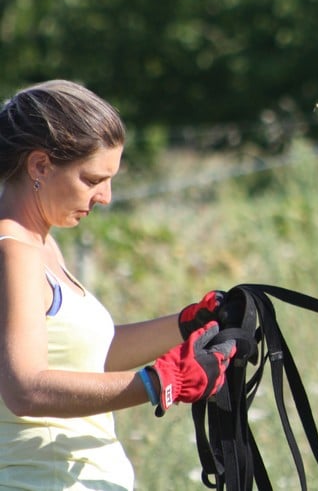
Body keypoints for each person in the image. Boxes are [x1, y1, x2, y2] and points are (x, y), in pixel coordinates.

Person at [0, 80, 236, 490]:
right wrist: (158, 384)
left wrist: (186, 325)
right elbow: (26, 389)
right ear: (39, 165)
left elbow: (90, 357)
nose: (105, 196)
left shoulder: (42, 245)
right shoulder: (14, 252)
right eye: (92, 179)